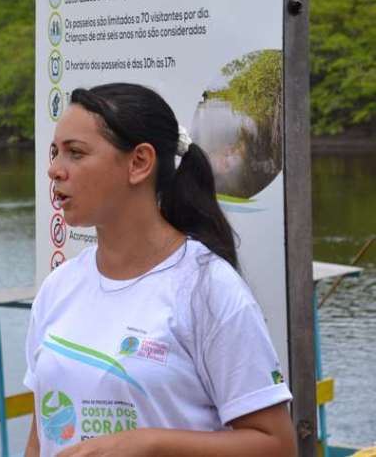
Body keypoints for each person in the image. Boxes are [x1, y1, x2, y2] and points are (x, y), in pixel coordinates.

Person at [24, 83, 295, 456]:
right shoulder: (58, 287)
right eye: (55, 153)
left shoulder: (208, 288)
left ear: (139, 163)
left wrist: (149, 444)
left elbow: (277, 446)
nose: (54, 170)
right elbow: (40, 435)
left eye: (75, 153)